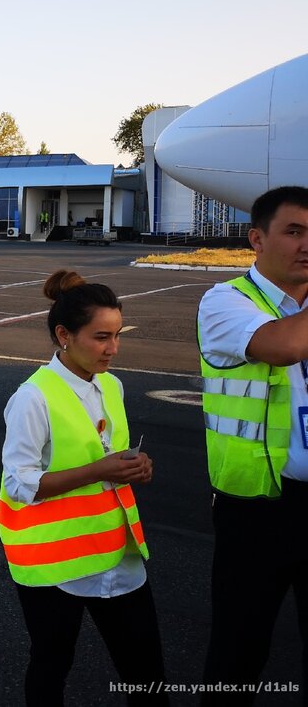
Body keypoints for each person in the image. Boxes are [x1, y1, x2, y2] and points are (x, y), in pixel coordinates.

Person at [0, 270, 167, 705]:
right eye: (100, 337)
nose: (112, 348)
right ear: (63, 335)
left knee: (146, 670)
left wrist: (134, 467)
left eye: (117, 335)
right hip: (55, 563)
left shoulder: (111, 384)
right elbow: (20, 485)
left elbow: (109, 453)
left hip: (115, 554)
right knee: (52, 666)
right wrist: (99, 470)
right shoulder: (33, 397)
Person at [199, 185, 308, 702]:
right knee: (238, 654)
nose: (307, 244)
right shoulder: (226, 301)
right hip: (258, 506)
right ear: (256, 240)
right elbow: (282, 346)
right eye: (295, 231)